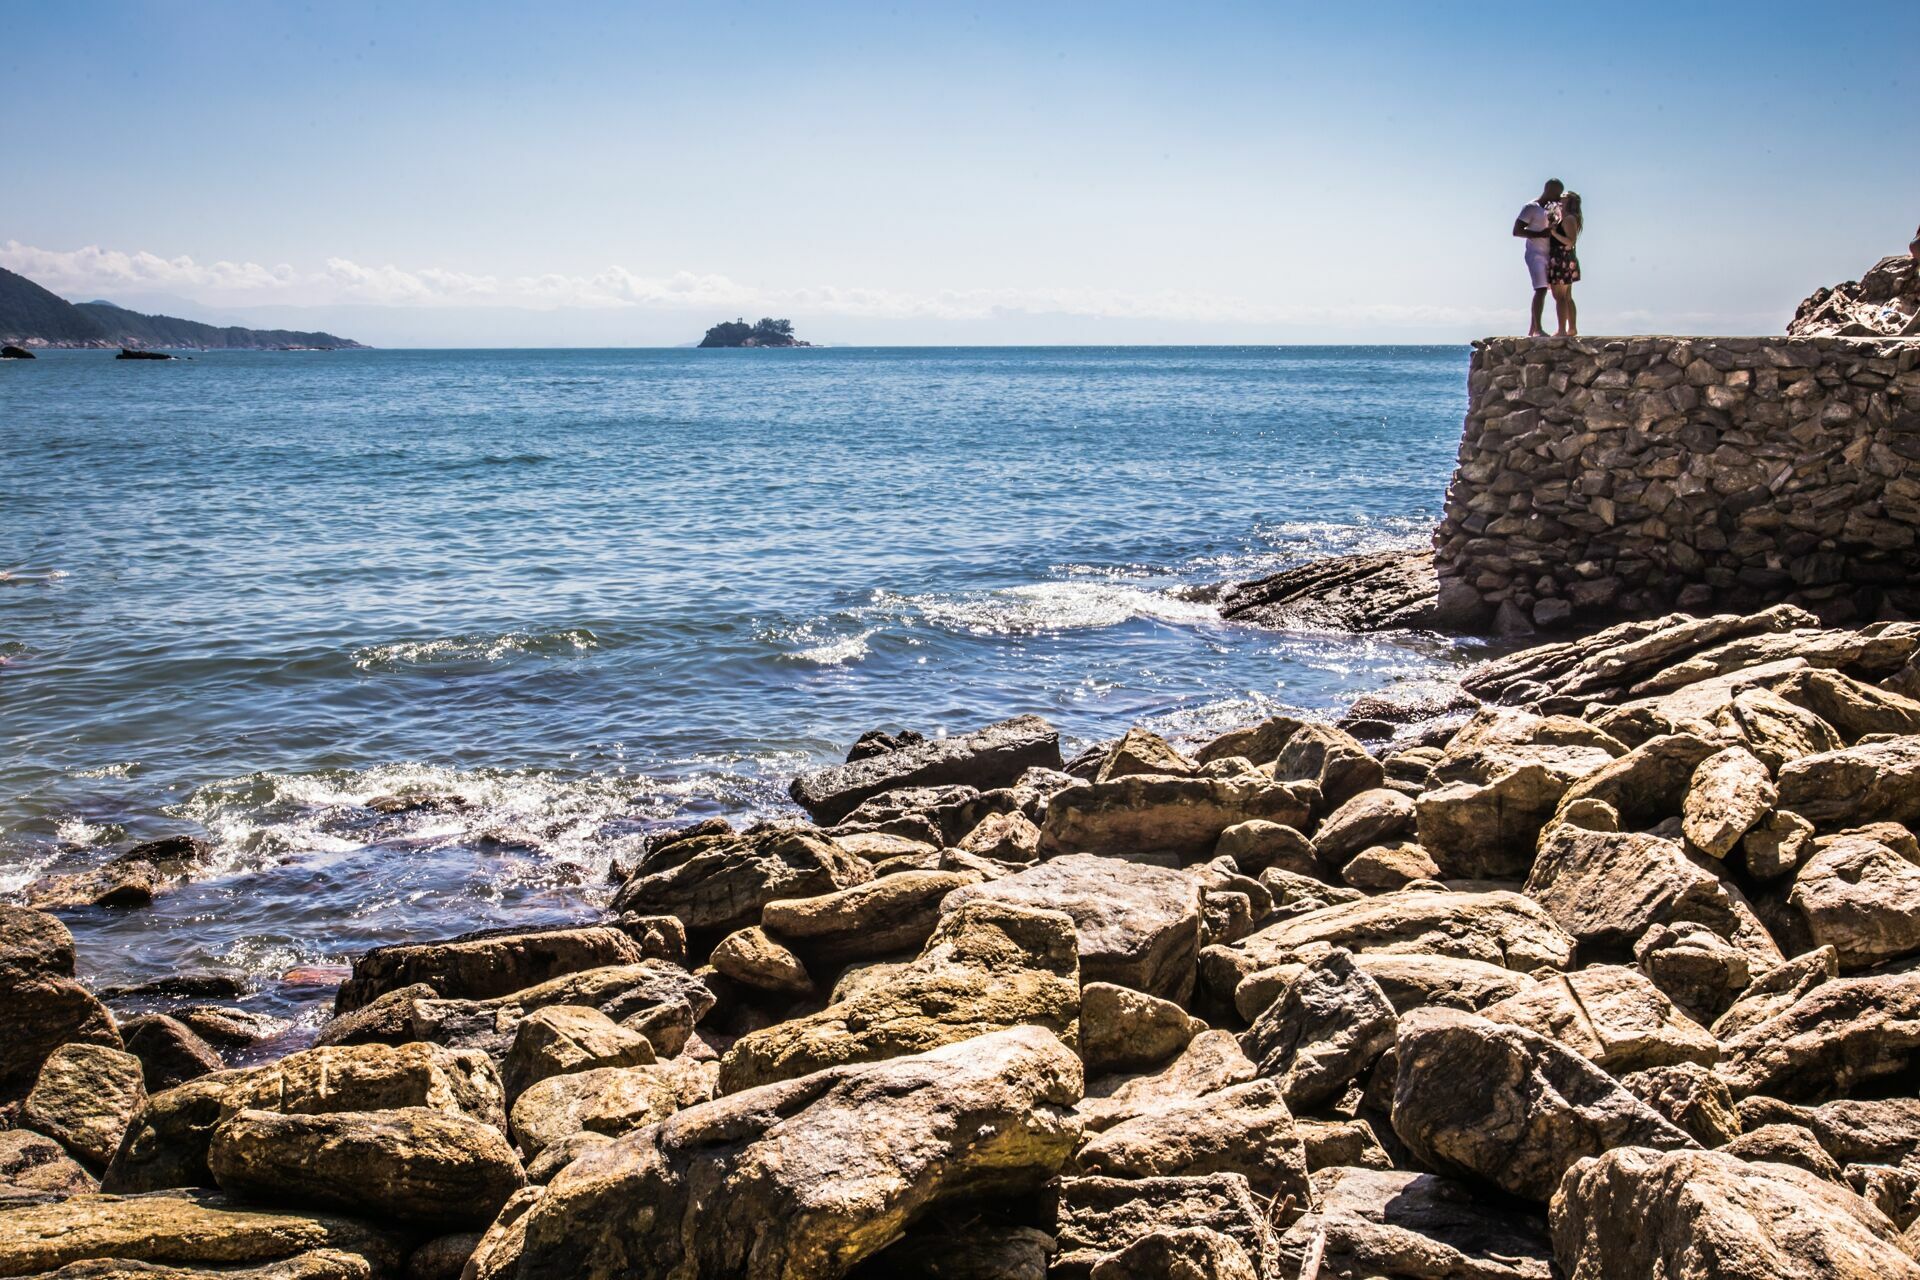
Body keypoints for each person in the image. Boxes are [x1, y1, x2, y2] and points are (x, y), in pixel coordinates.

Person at [1513, 179, 1564, 336]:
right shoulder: (1531, 207)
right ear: (1548, 190)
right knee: (1540, 289)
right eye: (1556, 193)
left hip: (1551, 254)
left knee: (1551, 290)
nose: (1558, 197)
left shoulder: (1554, 209)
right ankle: (1538, 329)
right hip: (1535, 254)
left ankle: (1532, 329)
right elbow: (1517, 231)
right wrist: (1539, 234)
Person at [1548, 192, 1583, 336]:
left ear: (1569, 201)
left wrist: (1554, 233)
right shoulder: (1568, 217)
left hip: (1561, 258)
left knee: (1560, 297)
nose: (1560, 197)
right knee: (1566, 296)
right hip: (1564, 258)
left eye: (1563, 196)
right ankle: (1571, 328)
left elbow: (1570, 240)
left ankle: (1562, 329)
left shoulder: (1568, 219)